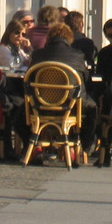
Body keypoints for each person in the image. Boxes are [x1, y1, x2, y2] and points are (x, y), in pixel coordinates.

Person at [29, 21, 98, 155]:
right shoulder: (77, 56)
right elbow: (85, 79)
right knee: (92, 108)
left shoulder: (37, 55)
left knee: (20, 110)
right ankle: (83, 145)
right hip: (70, 105)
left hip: (41, 105)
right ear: (69, 38)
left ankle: (33, 142)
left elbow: (28, 79)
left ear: (49, 38)